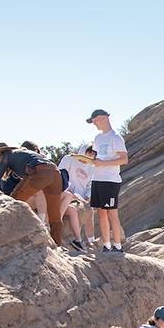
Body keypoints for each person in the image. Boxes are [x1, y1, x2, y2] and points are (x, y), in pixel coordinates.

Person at [0, 143, 64, 245]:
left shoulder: (7, 155)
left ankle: (4, 232)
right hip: (55, 173)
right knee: (55, 214)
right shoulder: (23, 153)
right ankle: (57, 243)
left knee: (14, 200)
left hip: (39, 172)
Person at [86, 108, 128, 253]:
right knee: (101, 212)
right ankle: (106, 245)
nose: (94, 124)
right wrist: (90, 160)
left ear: (104, 118)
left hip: (110, 181)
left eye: (95, 120)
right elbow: (98, 157)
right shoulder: (98, 138)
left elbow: (124, 159)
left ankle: (117, 246)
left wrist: (103, 163)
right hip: (97, 179)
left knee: (112, 212)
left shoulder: (116, 137)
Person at [58, 144, 97, 251]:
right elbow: (60, 175)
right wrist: (66, 188)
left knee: (90, 209)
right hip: (66, 192)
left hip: (81, 196)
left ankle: (91, 240)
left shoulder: (92, 168)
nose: (91, 156)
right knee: (77, 209)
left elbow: (90, 185)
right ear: (83, 151)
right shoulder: (69, 159)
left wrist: (87, 196)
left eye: (93, 154)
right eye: (89, 153)